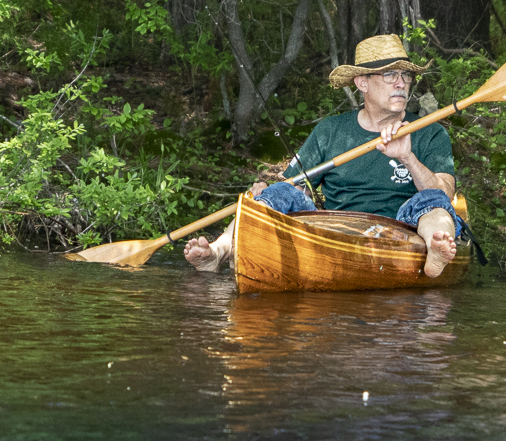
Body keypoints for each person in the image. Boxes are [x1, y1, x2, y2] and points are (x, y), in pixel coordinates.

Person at [184, 34, 461, 277]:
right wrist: (266, 196)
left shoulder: (430, 131)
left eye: (406, 75)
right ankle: (219, 252)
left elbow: (445, 194)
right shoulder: (330, 130)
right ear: (362, 82)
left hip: (402, 226)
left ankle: (435, 252)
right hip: (336, 229)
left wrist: (408, 158)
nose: (401, 83)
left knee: (432, 200)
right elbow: (296, 185)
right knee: (277, 192)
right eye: (390, 74)